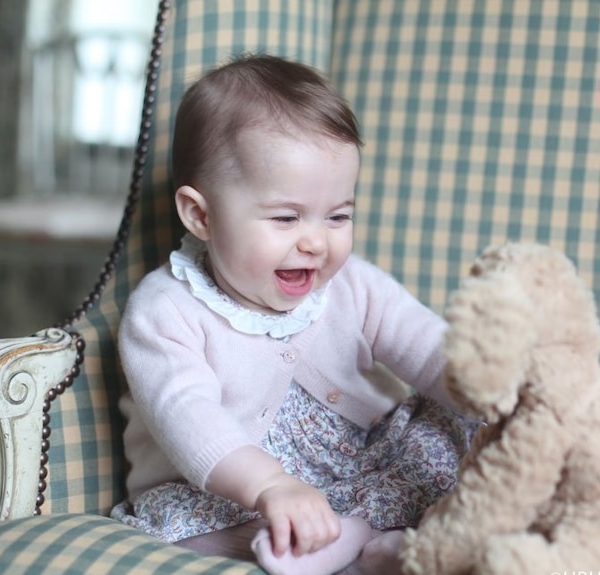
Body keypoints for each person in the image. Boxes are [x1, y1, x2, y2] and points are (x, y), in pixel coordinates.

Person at [111, 54, 476, 575]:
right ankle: (351, 544)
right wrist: (272, 486)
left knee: (454, 424)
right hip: (231, 487)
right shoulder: (165, 311)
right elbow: (187, 417)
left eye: (338, 216)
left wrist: (492, 390)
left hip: (360, 458)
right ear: (202, 215)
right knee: (192, 523)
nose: (315, 242)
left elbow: (426, 344)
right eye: (286, 217)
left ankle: (369, 538)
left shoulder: (352, 285)